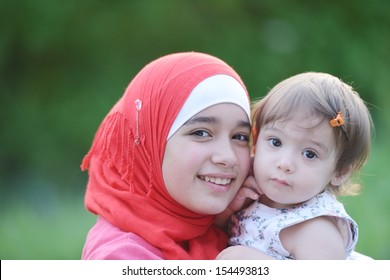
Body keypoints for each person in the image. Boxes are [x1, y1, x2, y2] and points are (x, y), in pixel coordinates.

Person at [80, 51, 253, 259]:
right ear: (149, 145)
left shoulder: (234, 229)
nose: (228, 157)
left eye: (240, 137)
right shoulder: (122, 256)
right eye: (201, 133)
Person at [217, 72, 373, 260]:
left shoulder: (316, 228)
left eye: (309, 154)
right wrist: (229, 212)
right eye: (275, 142)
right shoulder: (254, 195)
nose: (285, 163)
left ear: (341, 170)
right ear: (256, 141)